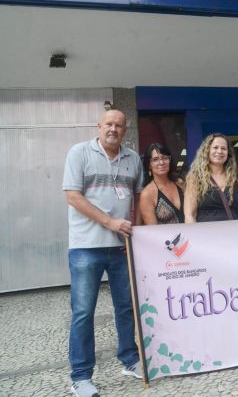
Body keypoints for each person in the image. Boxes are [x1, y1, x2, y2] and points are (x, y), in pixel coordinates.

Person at [62, 109, 143, 397]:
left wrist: (137, 235)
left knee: (126, 307)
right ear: (99, 126)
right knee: (83, 312)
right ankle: (81, 377)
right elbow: (73, 196)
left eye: (119, 125)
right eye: (109, 124)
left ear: (125, 129)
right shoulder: (79, 153)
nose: (113, 129)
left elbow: (137, 197)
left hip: (121, 247)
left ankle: (130, 359)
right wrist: (110, 222)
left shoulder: (133, 158)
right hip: (86, 246)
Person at [184, 133, 238, 223]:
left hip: (235, 229)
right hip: (207, 230)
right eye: (215, 147)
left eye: (223, 148)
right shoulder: (195, 178)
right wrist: (196, 232)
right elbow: (189, 215)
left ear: (228, 153)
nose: (219, 151)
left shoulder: (236, 177)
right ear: (207, 150)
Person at [139, 143, 184, 225]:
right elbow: (153, 229)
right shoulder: (147, 194)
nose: (161, 162)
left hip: (190, 232)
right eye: (155, 159)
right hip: (164, 234)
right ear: (149, 165)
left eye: (164, 158)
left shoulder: (179, 183)